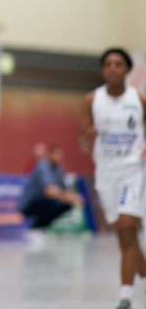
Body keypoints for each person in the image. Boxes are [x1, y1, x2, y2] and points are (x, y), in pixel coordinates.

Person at [81, 47, 146, 309]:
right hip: (106, 175)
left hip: (133, 170)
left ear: (127, 70)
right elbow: (83, 146)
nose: (113, 68)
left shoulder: (138, 99)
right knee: (122, 234)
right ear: (103, 70)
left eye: (118, 64)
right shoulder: (90, 100)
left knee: (129, 227)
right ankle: (141, 270)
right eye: (108, 64)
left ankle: (125, 297)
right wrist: (89, 137)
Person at [18, 144, 84, 245]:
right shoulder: (42, 166)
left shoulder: (59, 167)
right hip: (30, 203)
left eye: (60, 154)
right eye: (56, 154)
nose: (59, 157)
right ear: (49, 155)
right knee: (54, 201)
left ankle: (41, 228)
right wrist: (69, 198)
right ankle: (34, 230)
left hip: (46, 201)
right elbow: (49, 191)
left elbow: (63, 189)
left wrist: (74, 197)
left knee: (66, 204)